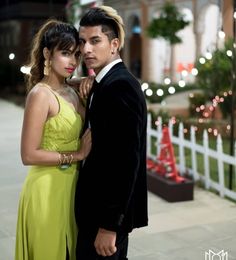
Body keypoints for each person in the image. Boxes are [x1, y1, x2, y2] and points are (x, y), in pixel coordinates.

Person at [75, 5, 148, 260]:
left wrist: (109, 225)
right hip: (96, 213)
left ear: (114, 44)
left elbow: (126, 162)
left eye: (95, 41)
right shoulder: (105, 81)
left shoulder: (121, 87)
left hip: (104, 220)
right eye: (82, 41)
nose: (86, 49)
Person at [15, 19, 92, 260]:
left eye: (76, 55)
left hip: (71, 189)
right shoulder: (40, 94)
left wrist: (87, 82)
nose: (72, 61)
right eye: (65, 53)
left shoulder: (72, 90)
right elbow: (28, 155)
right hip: (46, 189)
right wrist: (77, 155)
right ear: (48, 53)